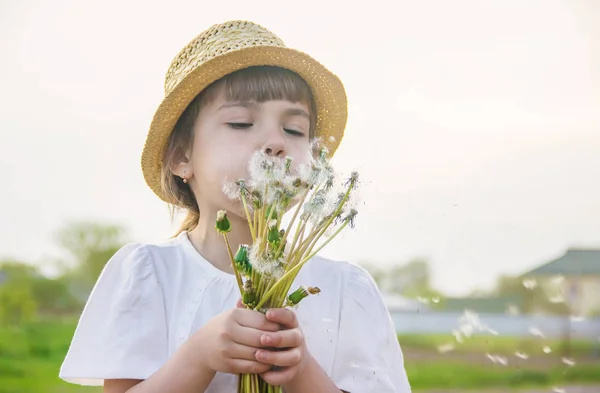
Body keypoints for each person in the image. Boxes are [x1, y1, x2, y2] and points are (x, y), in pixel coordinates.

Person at [59, 20, 412, 393]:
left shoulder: (345, 289)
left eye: (294, 130)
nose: (276, 142)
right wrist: (199, 356)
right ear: (182, 157)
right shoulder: (149, 274)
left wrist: (300, 369)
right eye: (241, 122)